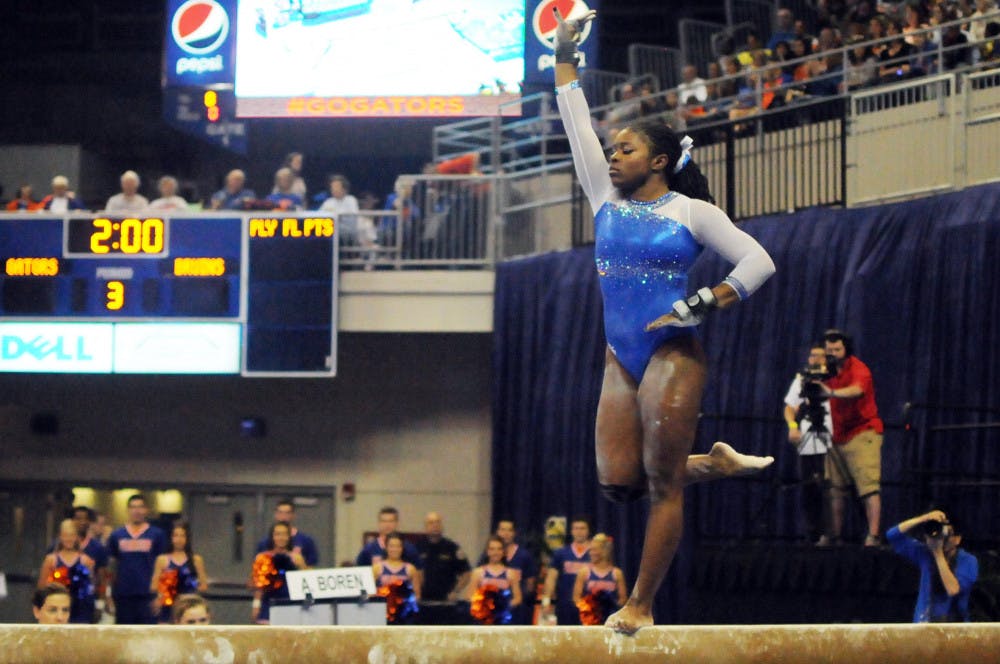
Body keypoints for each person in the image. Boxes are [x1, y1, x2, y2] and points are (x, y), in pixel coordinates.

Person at [553, 8, 776, 633]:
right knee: (617, 483)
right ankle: (716, 463)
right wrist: (564, 54)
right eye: (612, 148)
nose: (612, 155)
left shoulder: (691, 212)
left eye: (625, 148)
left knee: (661, 485)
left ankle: (641, 604)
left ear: (657, 160)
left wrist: (706, 301)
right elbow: (574, 122)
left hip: (672, 353)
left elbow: (758, 260)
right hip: (619, 355)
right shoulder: (604, 198)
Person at [818, 329, 884, 546]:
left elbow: (857, 390)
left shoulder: (858, 368)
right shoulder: (825, 371)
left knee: (868, 486)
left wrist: (831, 392)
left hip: (861, 433)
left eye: (837, 349)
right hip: (836, 436)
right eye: (829, 350)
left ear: (846, 349)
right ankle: (833, 535)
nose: (833, 353)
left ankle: (873, 535)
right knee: (834, 488)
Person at [887, 510, 978, 622]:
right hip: (925, 622)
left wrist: (938, 554)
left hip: (955, 626)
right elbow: (892, 535)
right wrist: (923, 518)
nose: (942, 539)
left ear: (957, 539)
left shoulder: (968, 561)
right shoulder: (925, 554)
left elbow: (953, 590)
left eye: (947, 536)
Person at [783, 343, 834, 544]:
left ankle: (829, 533)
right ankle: (811, 531)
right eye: (812, 355)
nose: (815, 359)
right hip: (807, 438)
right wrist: (792, 426)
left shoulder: (833, 379)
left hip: (829, 438)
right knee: (808, 485)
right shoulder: (801, 379)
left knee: (827, 485)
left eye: (820, 356)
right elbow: (790, 407)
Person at [106, 493, 167, 625]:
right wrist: (108, 593)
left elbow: (164, 567)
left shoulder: (157, 534)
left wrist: (161, 595)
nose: (137, 511)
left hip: (148, 595)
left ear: (146, 510)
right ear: (128, 510)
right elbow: (112, 566)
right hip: (123, 595)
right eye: (133, 507)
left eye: (140, 507)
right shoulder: (117, 535)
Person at [477, 519, 537, 624]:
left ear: (514, 533)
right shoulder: (485, 557)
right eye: (502, 529)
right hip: (488, 613)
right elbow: (476, 586)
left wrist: (513, 601)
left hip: (516, 610)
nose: (506, 533)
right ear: (497, 531)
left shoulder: (524, 556)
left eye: (509, 530)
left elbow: (530, 584)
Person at [37, 518, 96, 624]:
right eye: (65, 535)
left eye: (72, 535)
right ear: (60, 537)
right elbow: (42, 588)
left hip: (80, 611)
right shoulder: (51, 560)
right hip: (56, 610)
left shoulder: (85, 560)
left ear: (77, 537)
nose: (69, 539)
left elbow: (90, 589)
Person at [150, 521, 208, 623]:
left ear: (187, 538)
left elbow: (204, 586)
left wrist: (190, 584)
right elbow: (153, 586)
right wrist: (165, 589)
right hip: (167, 607)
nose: (179, 539)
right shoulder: (162, 559)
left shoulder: (196, 560)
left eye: (182, 536)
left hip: (188, 607)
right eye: (176, 535)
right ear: (171, 538)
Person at [251, 521, 308, 624]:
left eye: (284, 534)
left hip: (291, 603)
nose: (281, 537)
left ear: (289, 537)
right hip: (269, 603)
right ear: (272, 537)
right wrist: (256, 605)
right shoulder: (263, 558)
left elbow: (306, 582)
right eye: (278, 534)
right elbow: (259, 586)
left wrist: (302, 566)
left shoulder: (296, 558)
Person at [541, 516, 591, 625]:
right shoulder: (561, 553)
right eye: (576, 528)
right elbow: (551, 578)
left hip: (590, 606)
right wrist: (546, 601)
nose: (579, 532)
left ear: (588, 531)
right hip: (565, 605)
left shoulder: (595, 553)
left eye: (582, 528)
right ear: (572, 531)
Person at [416, 512, 470, 606]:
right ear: (425, 527)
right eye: (431, 522)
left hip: (446, 602)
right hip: (423, 602)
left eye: (438, 522)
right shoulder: (417, 547)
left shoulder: (452, 547)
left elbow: (466, 573)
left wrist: (456, 591)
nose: (435, 525)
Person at [572, 533, 627, 624]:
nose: (591, 553)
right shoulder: (584, 572)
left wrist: (610, 609)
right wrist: (590, 610)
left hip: (610, 619)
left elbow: (623, 599)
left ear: (604, 551)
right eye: (590, 550)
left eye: (594, 550)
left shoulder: (616, 573)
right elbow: (576, 598)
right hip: (589, 620)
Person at [467, 536, 522, 623]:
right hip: (482, 620)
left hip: (503, 620)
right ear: (487, 551)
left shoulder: (511, 573)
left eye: (499, 549)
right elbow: (470, 596)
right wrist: (483, 607)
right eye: (492, 549)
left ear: (503, 552)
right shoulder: (478, 572)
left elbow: (518, 598)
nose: (495, 553)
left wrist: (502, 607)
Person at [373, 532, 422, 624]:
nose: (394, 549)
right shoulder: (377, 568)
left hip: (403, 616)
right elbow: (370, 593)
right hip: (381, 615)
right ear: (386, 547)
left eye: (398, 546)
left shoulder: (410, 569)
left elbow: (417, 595)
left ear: (402, 548)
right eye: (391, 546)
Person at [255, 499, 319, 567]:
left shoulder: (306, 540)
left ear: (293, 515)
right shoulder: (264, 543)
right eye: (280, 512)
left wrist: (302, 565)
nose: (283, 516)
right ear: (275, 514)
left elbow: (311, 567)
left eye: (287, 513)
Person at [356, 506, 422, 569]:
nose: (387, 525)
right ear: (379, 523)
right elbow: (359, 571)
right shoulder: (368, 549)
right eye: (384, 521)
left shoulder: (409, 548)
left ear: (397, 523)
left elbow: (419, 573)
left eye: (391, 521)